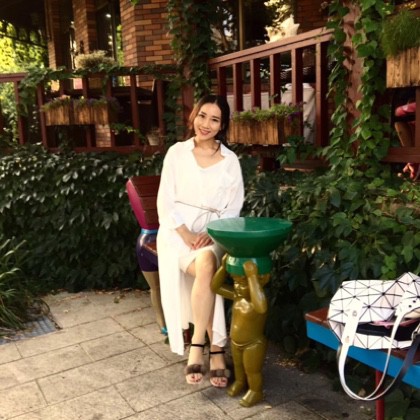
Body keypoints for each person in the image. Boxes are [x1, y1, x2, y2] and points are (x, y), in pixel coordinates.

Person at [156, 94, 245, 387]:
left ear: (223, 125)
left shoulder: (230, 161)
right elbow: (165, 200)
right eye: (202, 116)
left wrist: (211, 231)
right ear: (193, 115)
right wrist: (185, 233)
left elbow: (234, 206)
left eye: (214, 119)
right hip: (176, 232)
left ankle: (197, 345)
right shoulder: (177, 153)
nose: (206, 124)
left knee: (207, 262)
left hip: (213, 233)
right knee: (208, 274)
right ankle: (216, 348)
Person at [211, 256, 269, 407]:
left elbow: (261, 307)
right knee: (237, 365)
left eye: (243, 283)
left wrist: (252, 277)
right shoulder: (238, 296)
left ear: (262, 280)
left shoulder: (257, 301)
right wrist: (223, 268)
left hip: (253, 344)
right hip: (236, 341)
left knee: (252, 371)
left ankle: (255, 391)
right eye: (236, 282)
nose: (237, 286)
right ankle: (240, 382)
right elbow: (215, 287)